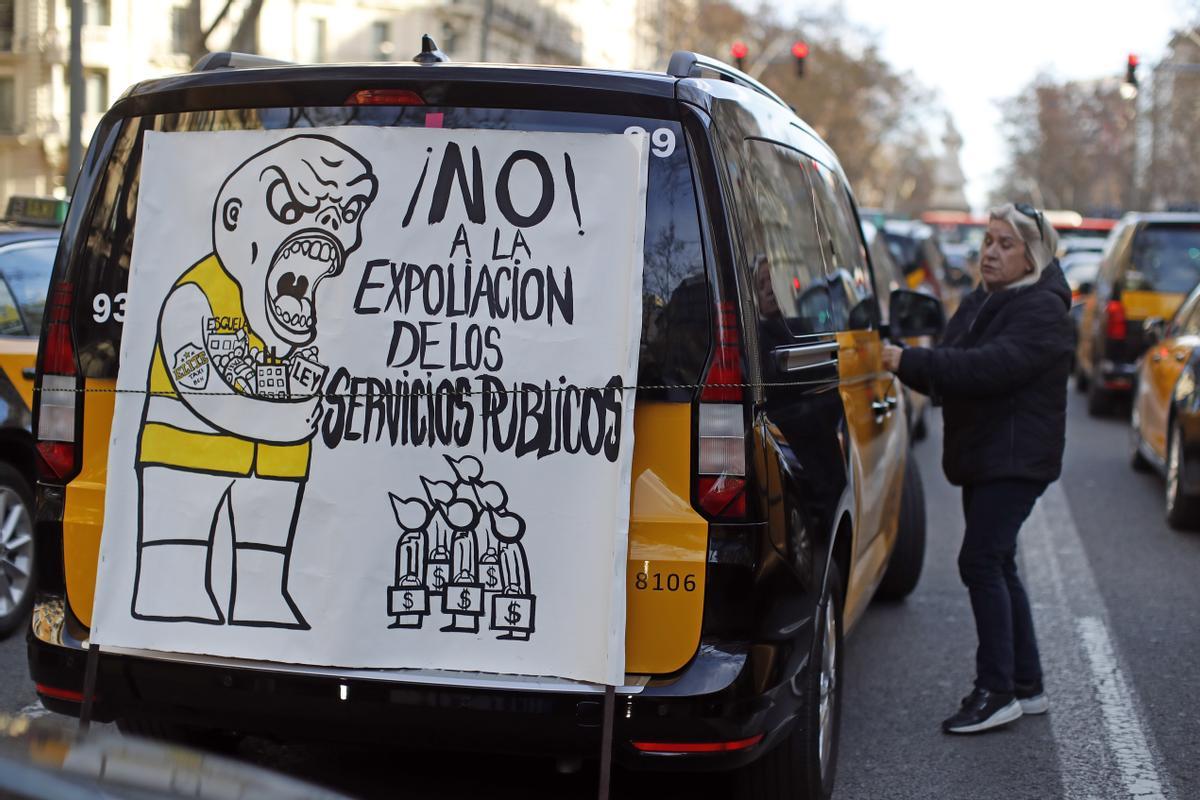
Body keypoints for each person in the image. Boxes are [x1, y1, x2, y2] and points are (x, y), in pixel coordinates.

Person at [882, 203, 1072, 734]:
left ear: (1032, 255)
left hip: (1014, 459)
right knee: (998, 561)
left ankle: (997, 690)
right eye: (988, 241)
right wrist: (908, 362)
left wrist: (907, 361)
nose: (990, 252)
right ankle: (1026, 683)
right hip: (988, 454)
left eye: (1005, 244)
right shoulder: (986, 300)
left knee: (981, 561)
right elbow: (951, 369)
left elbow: (988, 368)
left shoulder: (1041, 309)